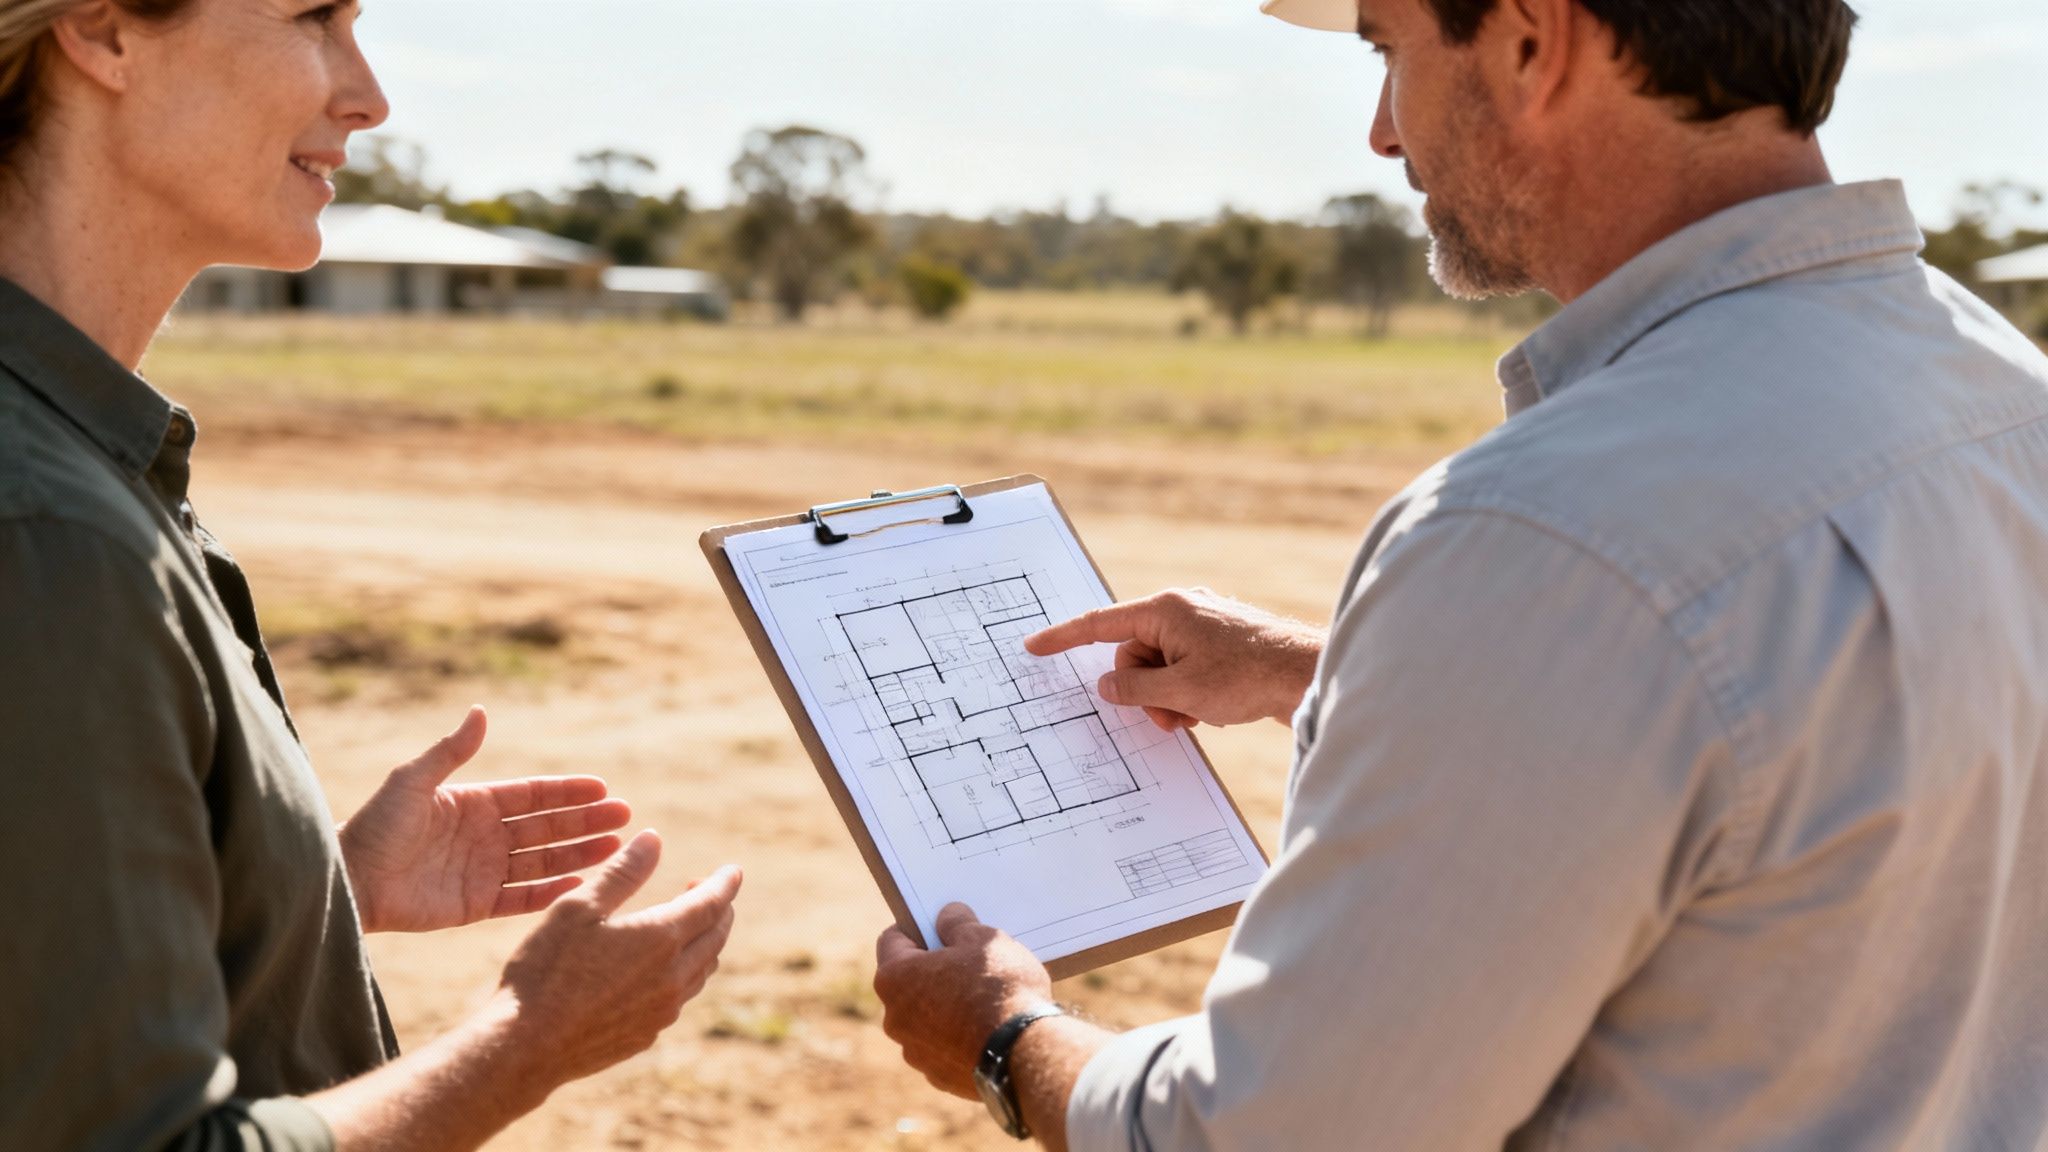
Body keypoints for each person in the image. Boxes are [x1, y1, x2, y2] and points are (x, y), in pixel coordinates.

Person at [872, 0, 2048, 1148]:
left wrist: (1003, 1037)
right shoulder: (1997, 387)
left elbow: (1289, 1129)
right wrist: (1335, 673)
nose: (1382, 130)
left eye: (1388, 47)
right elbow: (1808, 733)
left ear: (1531, 41)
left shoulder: (1541, 534)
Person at [0, 2, 740, 1149]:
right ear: (103, 33)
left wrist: (298, 897)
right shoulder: (50, 529)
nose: (368, 95)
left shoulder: (75, 459)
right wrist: (524, 1041)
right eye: (313, 18)